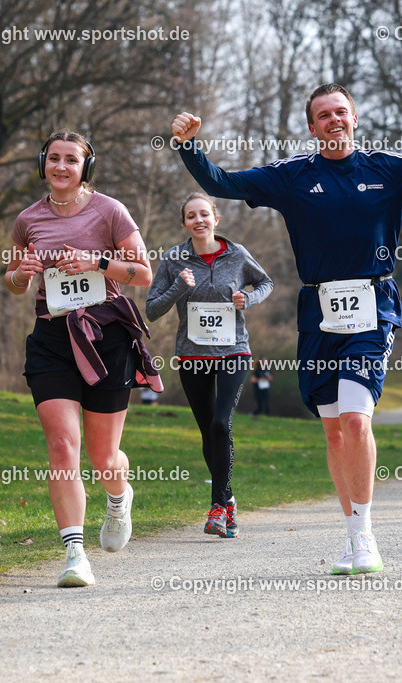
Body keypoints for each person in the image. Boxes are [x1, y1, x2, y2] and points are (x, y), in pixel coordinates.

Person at [171, 84, 402, 574]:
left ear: (355, 119)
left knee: (357, 418)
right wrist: (188, 145)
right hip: (318, 309)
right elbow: (224, 183)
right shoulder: (293, 176)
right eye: (323, 116)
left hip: (374, 305)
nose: (333, 120)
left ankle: (365, 536)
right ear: (312, 128)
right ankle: (352, 537)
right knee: (334, 430)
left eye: (341, 112)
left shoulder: (390, 169)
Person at [5, 129, 162, 588]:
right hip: (52, 338)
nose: (60, 167)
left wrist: (96, 261)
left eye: (71, 160)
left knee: (104, 457)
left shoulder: (110, 211)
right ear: (42, 163)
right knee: (61, 447)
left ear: (85, 167)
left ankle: (118, 497)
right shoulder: (27, 219)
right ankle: (75, 553)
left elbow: (144, 274)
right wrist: (22, 273)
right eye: (53, 158)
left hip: (105, 336)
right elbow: (13, 281)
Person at [146, 192, 273, 538]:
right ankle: (228, 499)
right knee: (208, 432)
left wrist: (247, 298)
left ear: (216, 218)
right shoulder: (174, 259)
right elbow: (152, 309)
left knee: (220, 424)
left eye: (205, 214)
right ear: (184, 223)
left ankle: (217, 506)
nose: (198, 220)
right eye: (191, 216)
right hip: (192, 355)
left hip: (234, 350)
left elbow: (265, 282)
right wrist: (177, 287)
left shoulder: (236, 254)